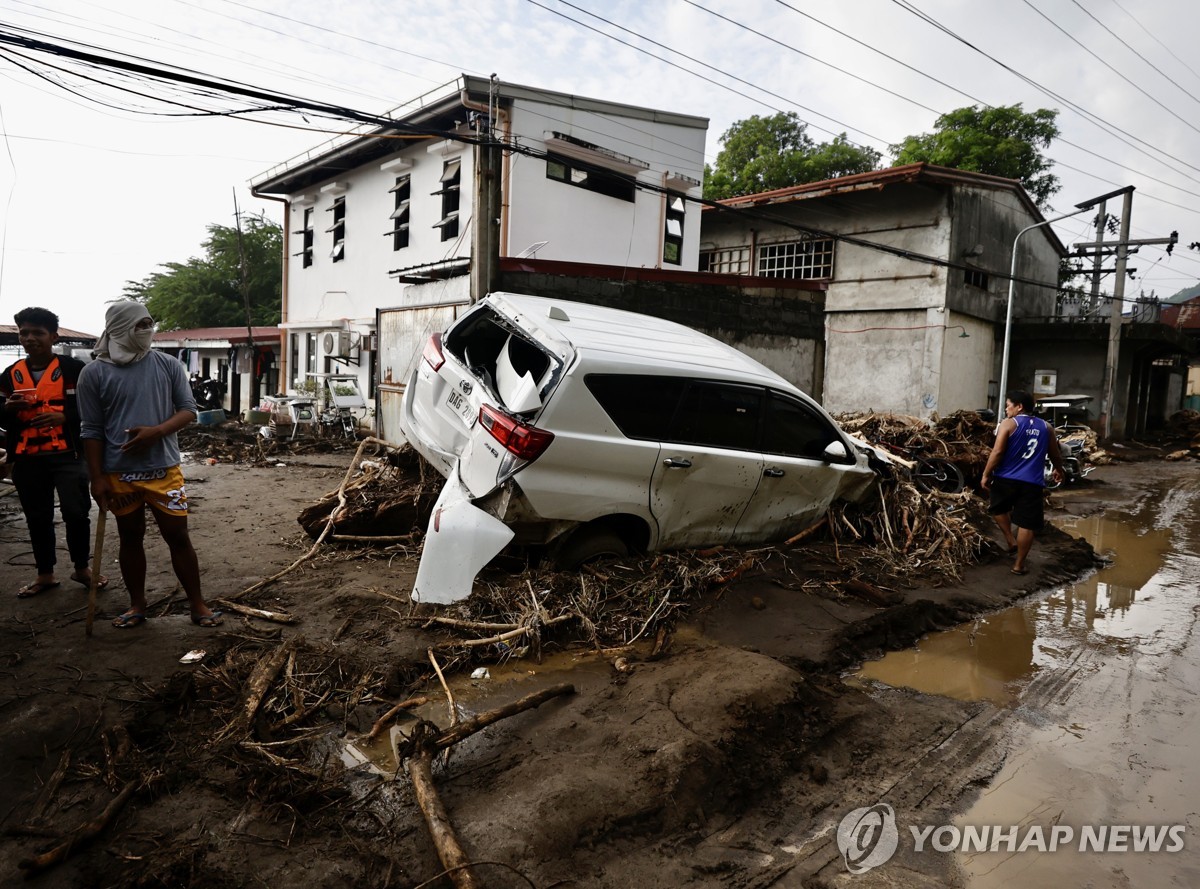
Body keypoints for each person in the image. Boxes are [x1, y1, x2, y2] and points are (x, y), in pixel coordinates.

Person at [77, 301, 221, 629]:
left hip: (164, 470)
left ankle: (198, 604)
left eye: (148, 324)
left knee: (178, 536)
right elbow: (91, 429)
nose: (146, 331)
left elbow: (188, 410)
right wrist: (96, 477)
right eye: (138, 325)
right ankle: (137, 604)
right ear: (117, 328)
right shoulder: (94, 373)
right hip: (118, 473)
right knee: (130, 536)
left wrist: (157, 432)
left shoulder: (168, 365)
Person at [0, 307, 105, 597]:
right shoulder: (9, 375)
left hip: (68, 455)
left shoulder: (74, 370)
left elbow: (95, 409)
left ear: (53, 336)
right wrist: (6, 409)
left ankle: (82, 568)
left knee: (76, 511)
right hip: (27, 458)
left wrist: (66, 417)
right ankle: (45, 574)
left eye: (38, 333)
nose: (30, 338)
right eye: (24, 333)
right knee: (37, 516)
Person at [981, 389, 1064, 576]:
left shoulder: (1008, 424)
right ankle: (1019, 565)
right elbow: (1055, 453)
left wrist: (986, 473)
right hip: (1032, 483)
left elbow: (997, 452)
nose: (1006, 409)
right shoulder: (1046, 427)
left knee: (997, 508)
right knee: (1027, 524)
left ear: (1019, 407)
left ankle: (1010, 539)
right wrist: (1059, 469)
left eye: (1008, 405)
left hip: (1005, 478)